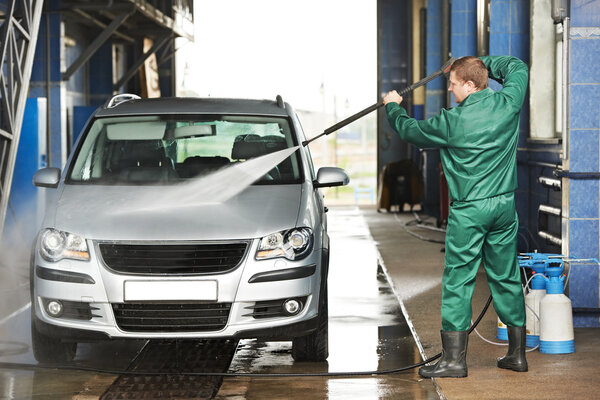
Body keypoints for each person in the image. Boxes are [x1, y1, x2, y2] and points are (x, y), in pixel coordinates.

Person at [382, 56, 529, 378]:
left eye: (453, 83)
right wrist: (483, 61)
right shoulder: (508, 103)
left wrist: (393, 105)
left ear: (471, 84)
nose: (449, 89)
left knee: (458, 280)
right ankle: (517, 355)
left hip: (470, 210)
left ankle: (453, 361)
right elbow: (518, 68)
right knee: (505, 276)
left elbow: (410, 130)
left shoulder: (451, 122)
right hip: (504, 206)